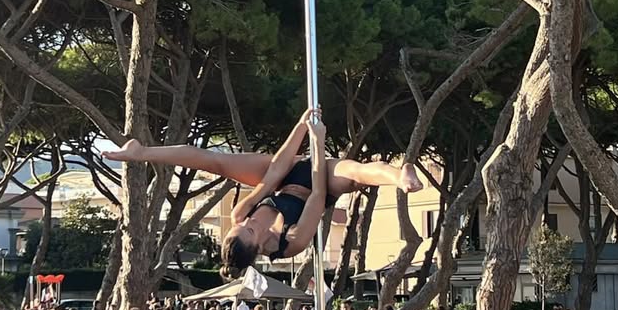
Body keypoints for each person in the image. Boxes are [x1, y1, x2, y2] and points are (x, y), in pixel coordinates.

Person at [106, 109, 421, 275]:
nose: (245, 222)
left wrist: (301, 127)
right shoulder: (290, 242)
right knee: (354, 174)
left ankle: (141, 152)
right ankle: (396, 178)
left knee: (217, 162)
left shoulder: (242, 215)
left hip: (285, 176)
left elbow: (272, 178)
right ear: (258, 246)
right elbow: (317, 195)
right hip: (320, 182)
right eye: (248, 230)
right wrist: (318, 142)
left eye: (238, 227)